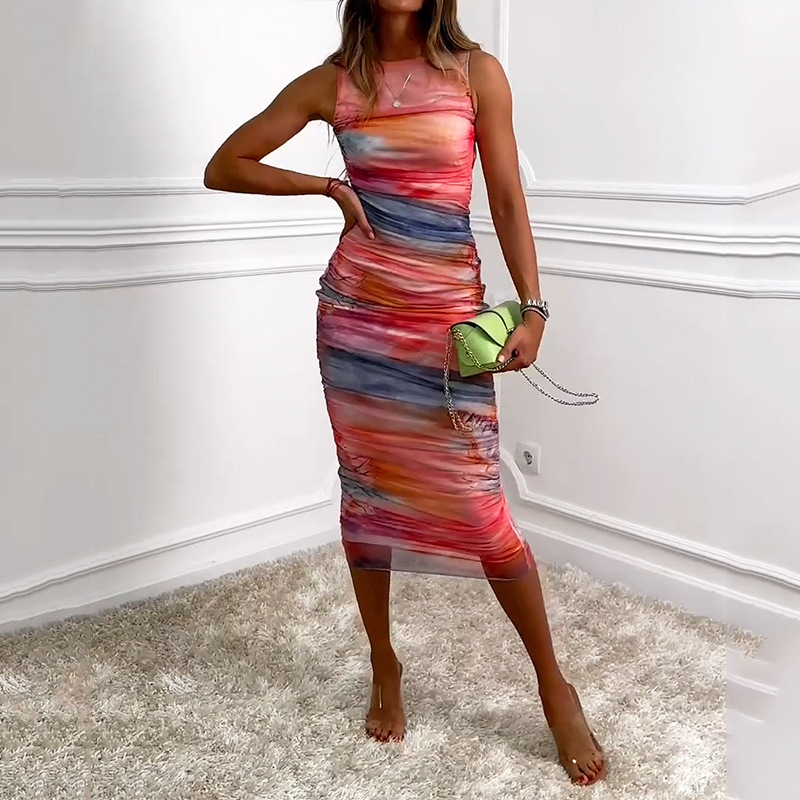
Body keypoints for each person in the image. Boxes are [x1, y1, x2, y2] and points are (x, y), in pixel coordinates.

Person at [204, 0, 606, 787]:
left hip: (445, 326)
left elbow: (506, 199)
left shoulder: (476, 74)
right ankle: (384, 663)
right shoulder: (331, 83)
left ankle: (554, 687)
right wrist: (328, 187)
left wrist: (533, 307)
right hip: (357, 323)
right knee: (368, 496)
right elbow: (226, 165)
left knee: (483, 514)